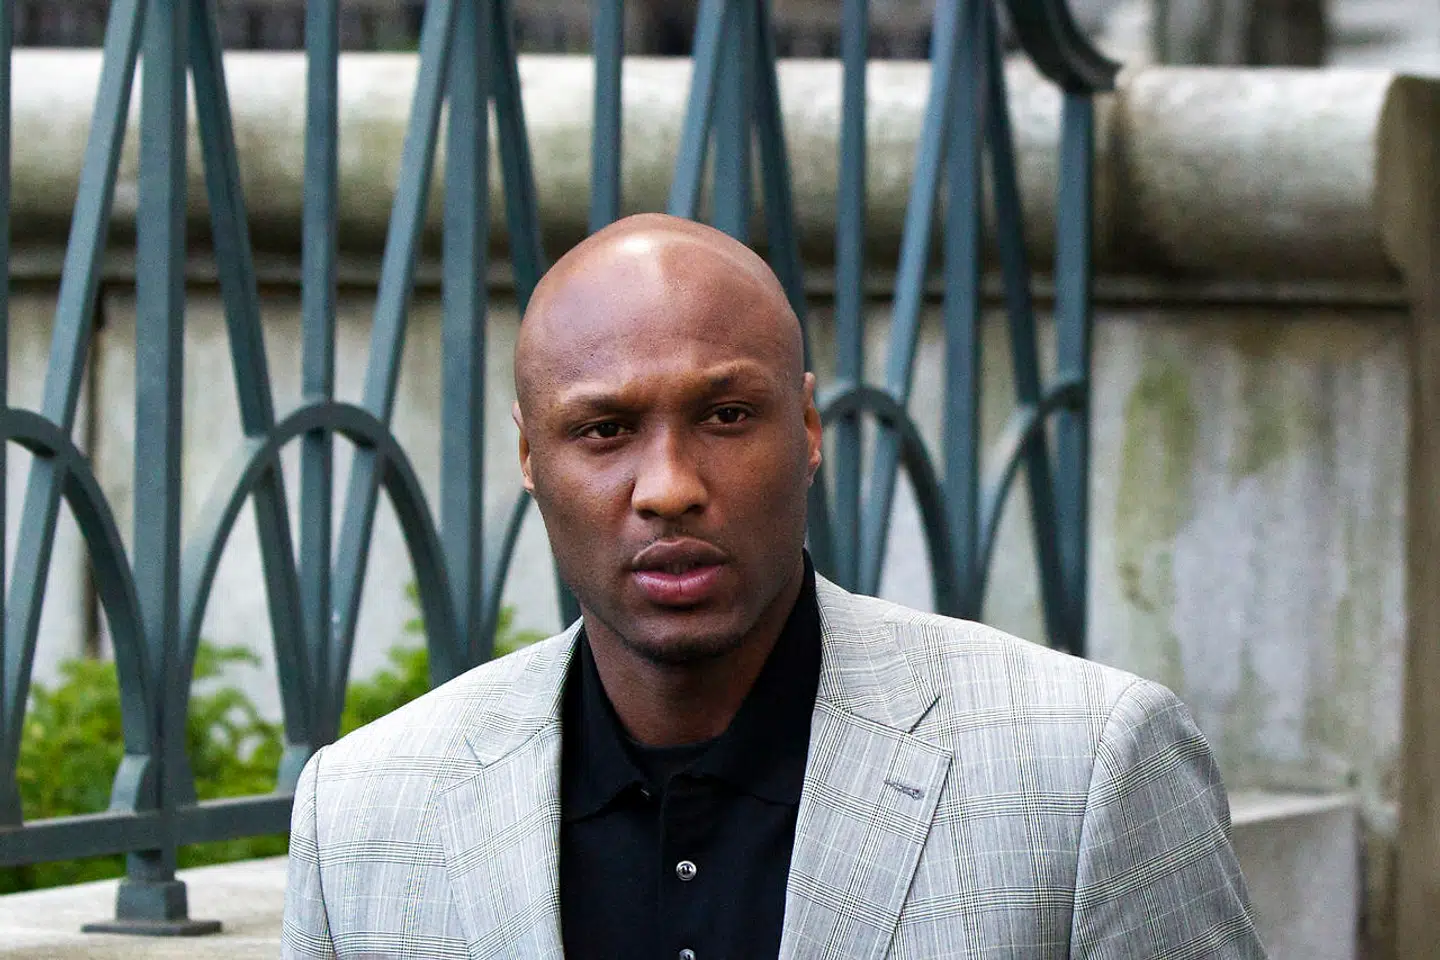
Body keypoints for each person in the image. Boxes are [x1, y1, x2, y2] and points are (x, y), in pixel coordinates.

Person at [282, 213, 1265, 958]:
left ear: (805, 430)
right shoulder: (367, 811)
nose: (668, 488)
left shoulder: (1089, 767)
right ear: (530, 456)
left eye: (725, 414)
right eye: (605, 430)